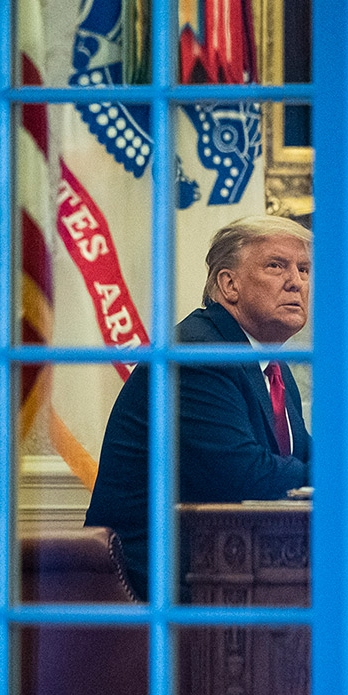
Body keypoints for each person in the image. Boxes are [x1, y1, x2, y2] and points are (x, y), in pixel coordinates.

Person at [85, 215, 312, 599]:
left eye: (304, 269)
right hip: (159, 586)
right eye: (276, 265)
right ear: (229, 284)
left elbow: (302, 457)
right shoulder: (197, 353)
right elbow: (244, 476)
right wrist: (339, 479)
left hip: (228, 569)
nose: (297, 282)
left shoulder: (272, 367)